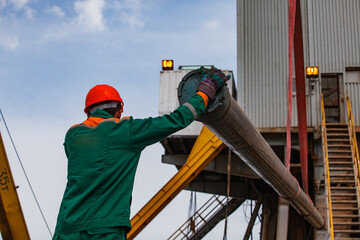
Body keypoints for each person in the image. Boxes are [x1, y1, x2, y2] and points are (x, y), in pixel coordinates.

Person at [53, 67, 230, 240]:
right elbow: (176, 120)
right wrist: (205, 93)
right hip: (104, 231)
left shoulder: (72, 136)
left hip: (66, 229)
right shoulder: (126, 131)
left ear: (88, 111)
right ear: (119, 110)